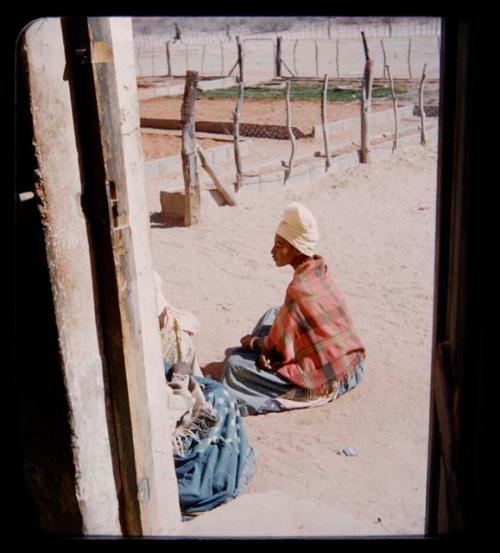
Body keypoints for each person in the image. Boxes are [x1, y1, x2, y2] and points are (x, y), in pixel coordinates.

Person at [222, 202, 366, 416]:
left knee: (234, 366)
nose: (272, 251)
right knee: (273, 313)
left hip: (332, 377)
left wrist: (255, 343)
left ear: (296, 248)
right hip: (352, 362)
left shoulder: (298, 289)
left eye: (279, 245)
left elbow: (280, 350)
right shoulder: (319, 269)